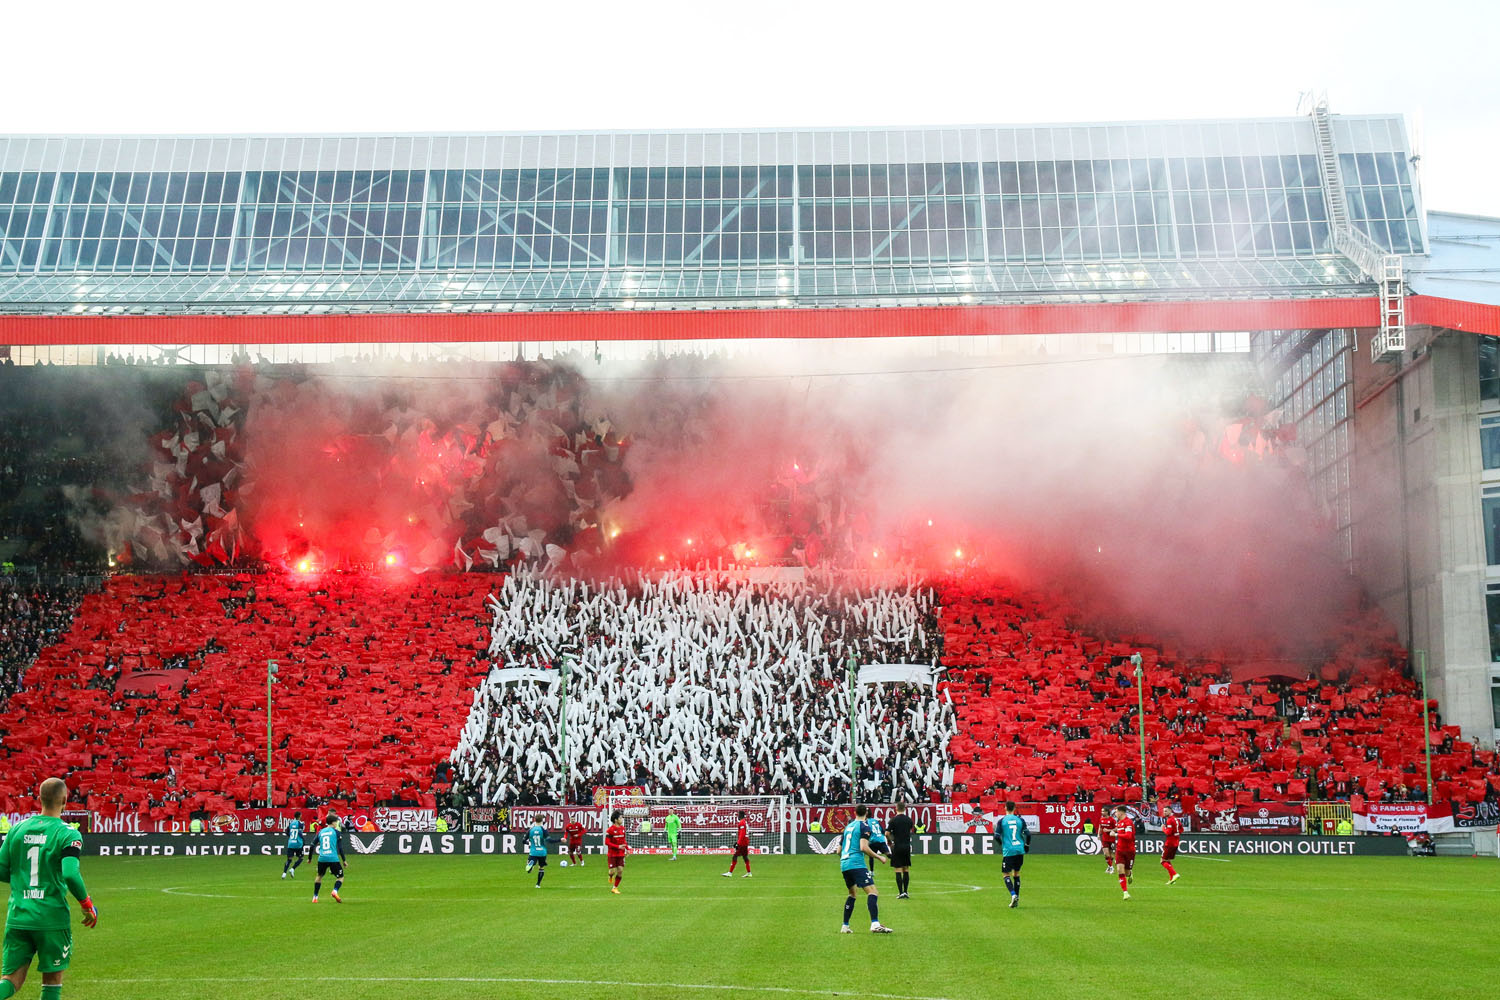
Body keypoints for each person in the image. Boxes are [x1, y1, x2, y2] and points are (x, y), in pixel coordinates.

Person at [0, 778, 98, 1000]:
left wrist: (22, 879)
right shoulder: (68, 834)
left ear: (39, 798)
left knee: (11, 980)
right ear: (65, 800)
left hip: (18, 916)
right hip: (51, 918)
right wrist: (87, 904)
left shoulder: (17, 829)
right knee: (52, 981)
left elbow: (1, 869)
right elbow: (70, 873)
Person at [838, 804, 892, 934]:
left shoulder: (848, 827)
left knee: (852, 894)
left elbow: (838, 850)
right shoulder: (864, 826)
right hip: (856, 864)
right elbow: (863, 847)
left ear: (855, 812)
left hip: (844, 864)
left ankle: (845, 926)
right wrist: (879, 857)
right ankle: (875, 923)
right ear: (866, 814)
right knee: (873, 892)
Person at [995, 801, 1031, 909]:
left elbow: (996, 836)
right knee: (1016, 873)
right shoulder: (1020, 820)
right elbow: (1028, 834)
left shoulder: (1002, 821)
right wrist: (1027, 845)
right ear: (1015, 808)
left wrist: (1003, 844)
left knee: (1006, 874)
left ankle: (1013, 894)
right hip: (1019, 849)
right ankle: (1017, 898)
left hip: (1009, 850)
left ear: (1005, 808)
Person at [311, 812, 346, 903]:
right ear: (333, 822)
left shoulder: (320, 832)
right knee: (340, 877)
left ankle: (315, 897)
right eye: (336, 822)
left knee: (319, 876)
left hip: (322, 858)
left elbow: (312, 845)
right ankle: (335, 891)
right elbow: (340, 848)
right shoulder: (336, 832)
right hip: (333, 858)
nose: (337, 823)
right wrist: (344, 860)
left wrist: (310, 858)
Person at [887, 803, 914, 899]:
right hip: (906, 846)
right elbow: (910, 829)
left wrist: (890, 842)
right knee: (906, 869)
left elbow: (887, 833)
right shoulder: (909, 820)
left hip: (897, 846)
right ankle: (906, 892)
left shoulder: (893, 820)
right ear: (905, 809)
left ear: (896, 809)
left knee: (898, 869)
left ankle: (900, 892)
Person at [1112, 806, 1136, 901]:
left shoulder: (1128, 822)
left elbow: (1129, 836)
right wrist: (1112, 831)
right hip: (1120, 850)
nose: (1115, 814)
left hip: (1129, 851)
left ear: (1121, 813)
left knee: (1126, 872)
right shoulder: (1119, 823)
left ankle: (1130, 873)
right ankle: (1125, 893)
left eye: (1116, 812)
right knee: (1119, 870)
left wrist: (1116, 834)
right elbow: (1119, 830)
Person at [604, 810, 628, 895]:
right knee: (612, 872)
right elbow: (606, 842)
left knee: (620, 870)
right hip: (612, 854)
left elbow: (623, 840)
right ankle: (610, 876)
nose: (622, 819)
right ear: (615, 820)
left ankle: (614, 888)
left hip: (620, 853)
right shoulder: (610, 830)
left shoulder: (623, 829)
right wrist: (617, 846)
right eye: (620, 818)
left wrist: (627, 849)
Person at [722, 810, 752, 877]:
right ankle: (749, 872)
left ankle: (730, 873)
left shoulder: (742, 822)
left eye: (738, 815)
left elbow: (742, 834)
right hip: (745, 842)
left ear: (740, 815)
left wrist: (738, 843)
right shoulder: (745, 822)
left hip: (742, 843)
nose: (737, 816)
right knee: (745, 857)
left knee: (735, 856)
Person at [1160, 805, 1182, 884]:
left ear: (1170, 811)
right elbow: (1181, 829)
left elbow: (1168, 832)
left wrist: (1163, 828)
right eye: (1164, 811)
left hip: (1170, 843)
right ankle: (1171, 879)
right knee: (1167, 860)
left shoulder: (1169, 820)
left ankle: (1175, 874)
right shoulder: (1176, 819)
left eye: (1166, 811)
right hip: (1176, 842)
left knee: (1162, 861)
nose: (1164, 812)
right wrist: (1176, 834)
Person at [525, 821, 551, 888]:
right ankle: (538, 884)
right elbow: (549, 840)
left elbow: (523, 840)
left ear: (535, 820)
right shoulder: (543, 830)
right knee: (541, 868)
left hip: (533, 851)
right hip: (542, 852)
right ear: (542, 821)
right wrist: (559, 840)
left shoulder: (531, 830)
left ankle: (531, 863)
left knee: (529, 865)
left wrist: (528, 842)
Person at [281, 812, 305, 879]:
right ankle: (293, 869)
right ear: (300, 816)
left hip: (291, 843)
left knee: (289, 859)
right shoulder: (300, 824)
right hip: (298, 843)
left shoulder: (291, 823)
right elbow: (300, 833)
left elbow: (286, 832)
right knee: (301, 858)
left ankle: (284, 873)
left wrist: (291, 836)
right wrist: (303, 841)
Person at [1099, 805, 1116, 874]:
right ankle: (1111, 867)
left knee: (1111, 854)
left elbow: (1116, 828)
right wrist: (1098, 834)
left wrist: (1109, 830)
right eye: (1101, 811)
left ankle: (1109, 867)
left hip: (1111, 838)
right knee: (1106, 854)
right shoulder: (1101, 819)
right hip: (1104, 838)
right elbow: (1100, 827)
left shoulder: (1112, 820)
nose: (1102, 812)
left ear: (1107, 812)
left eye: (1103, 811)